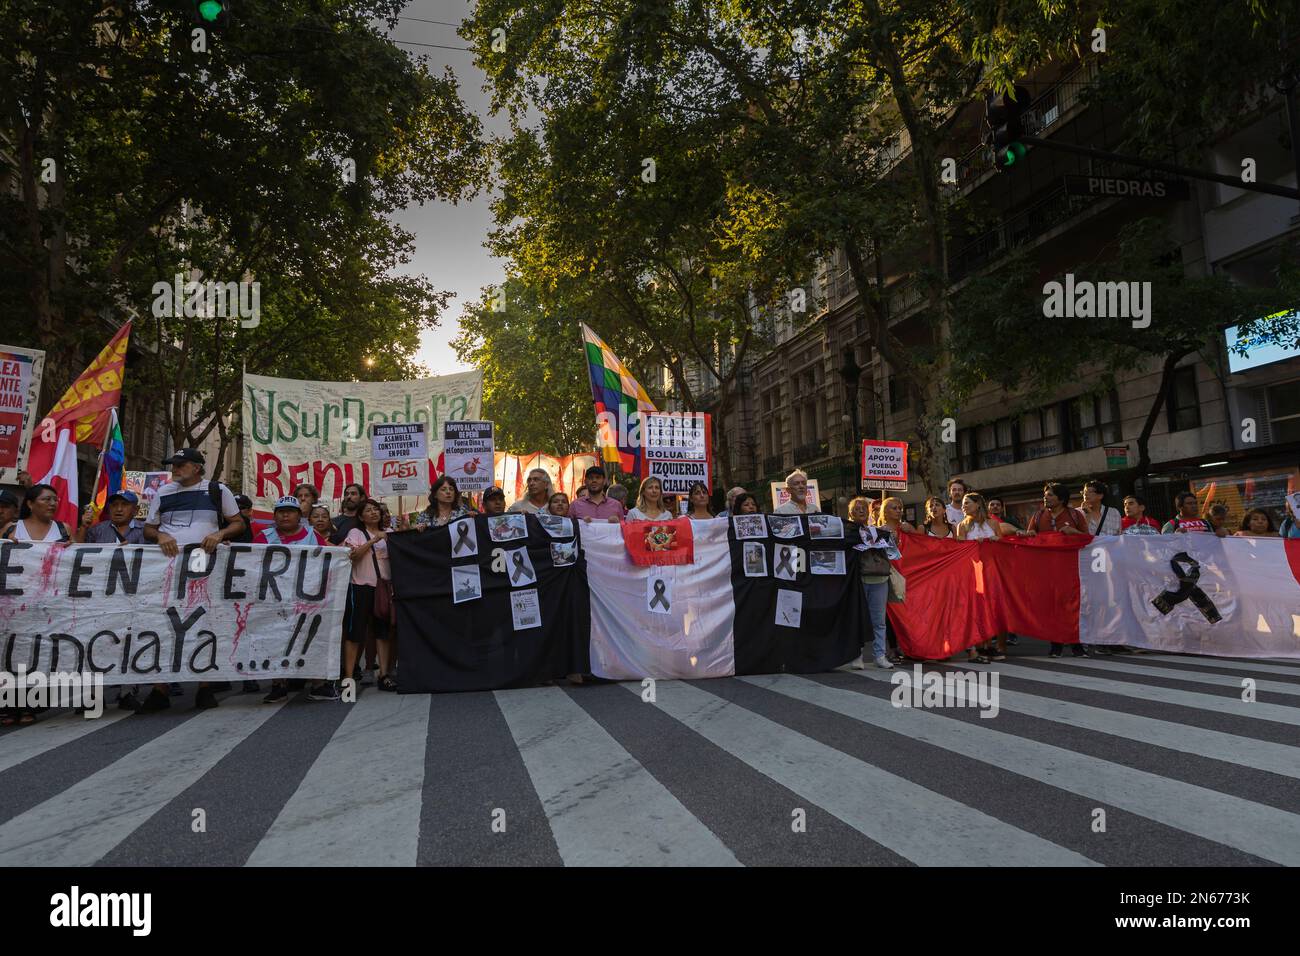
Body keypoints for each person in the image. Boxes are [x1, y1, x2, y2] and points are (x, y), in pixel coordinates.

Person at [141, 448, 245, 711]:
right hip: (169, 566)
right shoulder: (163, 493)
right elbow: (148, 528)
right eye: (173, 464)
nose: (175, 468)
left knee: (204, 619)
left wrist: (220, 534)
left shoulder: (217, 490)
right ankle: (159, 688)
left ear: (197, 467)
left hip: (203, 566)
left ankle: (205, 687)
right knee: (165, 621)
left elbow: (238, 523)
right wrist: (160, 536)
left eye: (181, 464)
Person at [255, 498, 334, 702]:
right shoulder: (263, 537)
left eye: (290, 511)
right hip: (274, 601)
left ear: (300, 516)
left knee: (310, 638)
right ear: (274, 516)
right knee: (275, 640)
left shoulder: (311, 535)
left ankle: (317, 684)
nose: (285, 515)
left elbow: (327, 561)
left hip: (306, 600)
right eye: (281, 512)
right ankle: (278, 685)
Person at [341, 499, 398, 693]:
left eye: (376, 510)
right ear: (360, 516)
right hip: (360, 587)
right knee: (355, 632)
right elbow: (353, 556)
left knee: (383, 632)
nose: (374, 513)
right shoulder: (355, 533)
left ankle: (384, 675)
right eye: (368, 510)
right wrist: (374, 540)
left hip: (383, 587)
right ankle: (348, 678)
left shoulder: (390, 534)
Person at [847, 496, 894, 670]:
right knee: (857, 619)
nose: (861, 510)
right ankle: (856, 656)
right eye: (857, 508)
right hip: (857, 581)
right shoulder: (847, 531)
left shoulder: (877, 530)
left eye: (863, 508)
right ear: (850, 513)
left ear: (869, 512)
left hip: (879, 579)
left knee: (879, 620)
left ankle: (879, 655)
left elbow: (892, 553)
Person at [2, 484, 71, 543]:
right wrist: (6, 544)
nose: (53, 503)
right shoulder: (11, 528)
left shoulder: (64, 529)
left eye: (56, 500)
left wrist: (70, 547)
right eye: (47, 499)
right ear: (30, 504)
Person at [81, 491, 145, 544]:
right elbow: (77, 551)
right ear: (109, 508)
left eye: (124, 504)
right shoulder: (97, 530)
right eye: (114, 505)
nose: (119, 509)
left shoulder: (145, 531)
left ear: (135, 510)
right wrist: (84, 527)